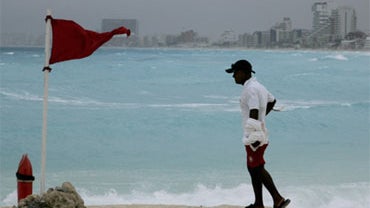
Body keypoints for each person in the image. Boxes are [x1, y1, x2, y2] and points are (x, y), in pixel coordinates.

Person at [225, 60, 290, 208]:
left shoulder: (251, 90)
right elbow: (272, 101)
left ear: (243, 73)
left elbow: (254, 110)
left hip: (255, 136)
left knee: (256, 168)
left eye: (235, 73)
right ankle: (259, 203)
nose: (233, 76)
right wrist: (262, 118)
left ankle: (277, 198)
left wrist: (253, 135)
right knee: (253, 167)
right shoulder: (259, 86)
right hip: (259, 133)